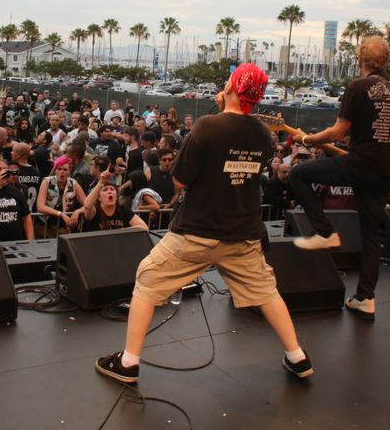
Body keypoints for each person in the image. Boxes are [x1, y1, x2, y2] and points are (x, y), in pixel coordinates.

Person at [96, 63, 312, 384]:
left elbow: (180, 180)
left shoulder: (208, 125)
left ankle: (128, 363)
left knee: (147, 278)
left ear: (233, 86)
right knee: (267, 291)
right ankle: (297, 357)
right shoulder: (262, 134)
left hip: (198, 231)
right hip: (243, 234)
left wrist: (221, 112)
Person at [288, 36, 390, 321]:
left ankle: (325, 233)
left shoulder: (358, 86)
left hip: (362, 164)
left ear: (359, 59)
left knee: (298, 174)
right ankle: (365, 298)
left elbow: (338, 132)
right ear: (386, 60)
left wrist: (306, 139)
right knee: (371, 235)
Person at [36, 156, 87, 237]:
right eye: (59, 169)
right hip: (44, 225)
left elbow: (88, 205)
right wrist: (61, 214)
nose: (62, 172)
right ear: (55, 170)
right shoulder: (47, 181)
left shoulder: (74, 184)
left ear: (70, 171)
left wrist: (77, 212)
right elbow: (40, 206)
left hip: (63, 227)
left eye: (65, 169)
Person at [83, 171, 148, 232]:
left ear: (117, 196)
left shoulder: (122, 209)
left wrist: (122, 231)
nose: (109, 191)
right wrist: (101, 182)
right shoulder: (95, 210)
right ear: (99, 198)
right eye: (105, 190)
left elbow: (144, 227)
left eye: (112, 189)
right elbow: (87, 206)